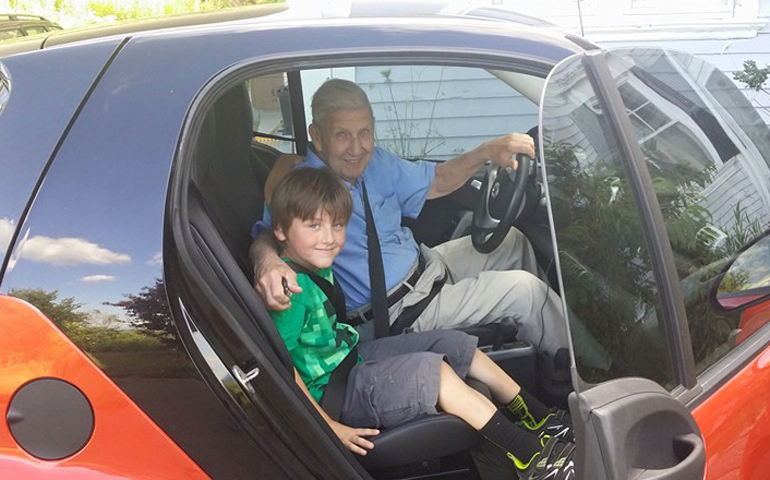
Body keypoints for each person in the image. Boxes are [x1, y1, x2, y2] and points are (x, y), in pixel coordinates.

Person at [267, 167, 575, 479]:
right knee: (436, 372)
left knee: (450, 342)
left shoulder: (313, 267)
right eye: (313, 226)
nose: (329, 239)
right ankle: (531, 457)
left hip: (348, 359)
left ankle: (539, 417)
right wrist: (328, 426)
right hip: (333, 395)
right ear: (280, 230)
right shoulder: (291, 292)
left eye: (337, 225)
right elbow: (280, 367)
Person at [250, 78, 571, 359]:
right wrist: (267, 263)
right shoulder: (301, 187)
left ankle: (541, 346)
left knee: (512, 241)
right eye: (342, 135)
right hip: (396, 311)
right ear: (316, 137)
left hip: (426, 269)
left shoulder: (377, 162)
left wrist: (486, 151)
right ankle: (573, 376)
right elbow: (267, 234)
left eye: (365, 133)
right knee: (525, 292)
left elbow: (437, 180)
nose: (357, 148)